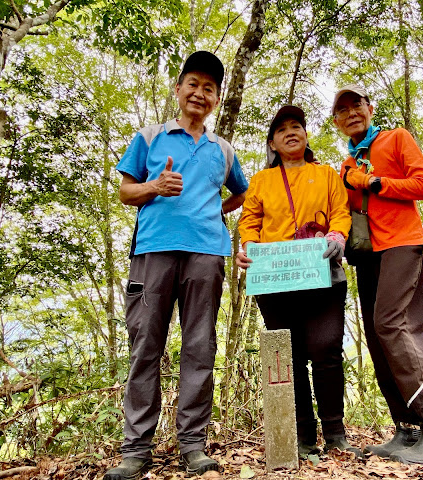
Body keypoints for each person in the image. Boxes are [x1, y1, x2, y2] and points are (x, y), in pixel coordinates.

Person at [104, 51, 249, 480]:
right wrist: (156, 185)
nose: (200, 94)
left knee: (200, 347)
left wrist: (214, 209)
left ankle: (193, 445)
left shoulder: (222, 149)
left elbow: (241, 192)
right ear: (178, 88)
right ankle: (136, 451)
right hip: (152, 251)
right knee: (146, 344)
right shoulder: (149, 137)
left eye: (210, 88)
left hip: (207, 253)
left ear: (217, 99)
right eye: (194, 84)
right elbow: (125, 192)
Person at [331, 85, 423, 465]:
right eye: (343, 110)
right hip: (368, 254)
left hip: (402, 243)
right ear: (336, 122)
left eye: (356, 106)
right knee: (374, 333)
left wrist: (376, 182)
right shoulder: (347, 164)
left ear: (370, 108)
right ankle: (407, 428)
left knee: (391, 324)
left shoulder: (395, 139)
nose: (351, 113)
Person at [235, 105, 361, 459]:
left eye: (297, 127)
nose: (291, 132)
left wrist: (337, 236)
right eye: (282, 129)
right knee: (288, 357)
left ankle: (335, 432)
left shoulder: (325, 175)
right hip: (276, 280)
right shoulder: (260, 181)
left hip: (323, 273)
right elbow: (250, 222)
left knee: (326, 349)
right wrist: (248, 250)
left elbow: (340, 211)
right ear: (273, 143)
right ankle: (304, 436)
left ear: (306, 136)